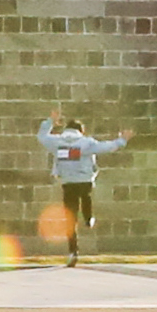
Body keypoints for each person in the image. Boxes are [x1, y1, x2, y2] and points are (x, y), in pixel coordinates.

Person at [39, 109, 130, 265]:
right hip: (84, 180)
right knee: (86, 197)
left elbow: (41, 137)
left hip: (67, 182)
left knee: (70, 218)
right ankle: (88, 219)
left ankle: (73, 252)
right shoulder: (86, 143)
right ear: (81, 131)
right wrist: (122, 140)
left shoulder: (56, 142)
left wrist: (50, 122)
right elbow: (106, 147)